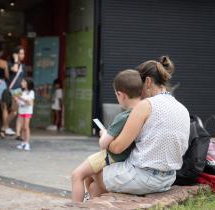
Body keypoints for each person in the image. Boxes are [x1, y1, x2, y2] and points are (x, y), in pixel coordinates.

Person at [84, 56, 190, 199]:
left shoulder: (146, 105)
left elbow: (117, 148)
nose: (138, 91)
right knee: (93, 186)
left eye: (139, 85)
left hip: (143, 177)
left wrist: (105, 137)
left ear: (147, 82)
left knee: (91, 171)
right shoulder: (182, 108)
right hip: (168, 178)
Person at [71, 69, 142, 202]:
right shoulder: (142, 113)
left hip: (110, 158)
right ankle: (91, 200)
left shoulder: (123, 116)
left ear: (121, 95)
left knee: (77, 175)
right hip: (125, 160)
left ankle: (76, 206)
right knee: (91, 184)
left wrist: (104, 133)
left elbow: (103, 144)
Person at [0, 46, 26, 139]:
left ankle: (6, 129)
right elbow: (14, 70)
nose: (23, 55)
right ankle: (4, 128)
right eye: (21, 53)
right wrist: (15, 59)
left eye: (23, 53)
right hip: (11, 90)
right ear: (16, 54)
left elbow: (23, 79)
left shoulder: (23, 66)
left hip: (18, 91)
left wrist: (24, 89)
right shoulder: (10, 64)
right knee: (14, 112)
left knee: (16, 112)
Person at [14, 78, 35, 151]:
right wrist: (16, 100)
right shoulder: (20, 91)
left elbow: (30, 103)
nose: (21, 83)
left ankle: (27, 143)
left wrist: (21, 98)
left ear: (27, 83)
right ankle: (23, 142)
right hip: (21, 111)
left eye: (23, 81)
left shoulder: (31, 92)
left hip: (27, 112)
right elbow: (20, 103)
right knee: (22, 127)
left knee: (26, 127)